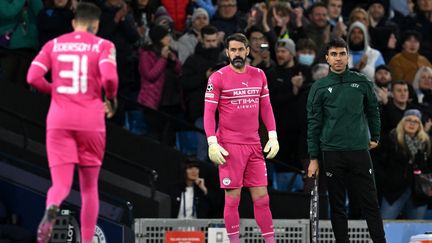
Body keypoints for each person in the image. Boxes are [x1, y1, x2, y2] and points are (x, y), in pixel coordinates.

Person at [26, 2, 119, 243]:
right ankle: (87, 241)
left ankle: (52, 208)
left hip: (59, 121)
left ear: (73, 22)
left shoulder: (53, 44)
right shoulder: (103, 45)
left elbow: (32, 77)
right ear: (96, 25)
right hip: (90, 121)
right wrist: (109, 99)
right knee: (89, 189)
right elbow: (110, 79)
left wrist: (54, 90)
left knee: (60, 185)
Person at [307, 37, 386, 243]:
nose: (338, 58)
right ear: (327, 58)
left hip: (359, 150)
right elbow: (313, 124)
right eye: (334, 54)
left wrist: (375, 135)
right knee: (337, 204)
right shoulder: (319, 87)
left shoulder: (361, 81)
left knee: (370, 203)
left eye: (342, 54)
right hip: (332, 153)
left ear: (348, 56)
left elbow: (373, 111)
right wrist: (313, 158)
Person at [203, 33, 279, 243]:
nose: (237, 53)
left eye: (240, 49)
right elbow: (209, 113)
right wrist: (212, 142)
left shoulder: (259, 75)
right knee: (232, 199)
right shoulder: (217, 77)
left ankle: (270, 241)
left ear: (247, 50)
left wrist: (272, 135)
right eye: (233, 50)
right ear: (227, 52)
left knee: (263, 199)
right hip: (230, 146)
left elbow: (266, 107)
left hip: (254, 144)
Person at [376, 109, 432, 219]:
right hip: (393, 191)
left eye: (415, 121)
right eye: (408, 120)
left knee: (416, 230)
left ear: (420, 125)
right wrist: (386, 181)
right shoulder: (391, 139)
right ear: (402, 122)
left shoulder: (426, 142)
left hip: (418, 193)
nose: (412, 123)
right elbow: (379, 164)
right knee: (384, 225)